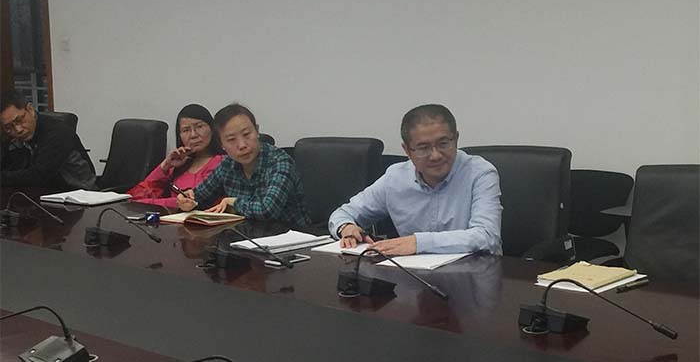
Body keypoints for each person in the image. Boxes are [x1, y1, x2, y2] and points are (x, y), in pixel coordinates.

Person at [328, 104, 502, 256]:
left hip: (475, 275)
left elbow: (487, 236)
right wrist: (346, 227)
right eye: (423, 148)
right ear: (407, 150)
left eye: (443, 144)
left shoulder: (480, 173)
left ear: (456, 139)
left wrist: (418, 243)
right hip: (414, 275)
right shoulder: (395, 178)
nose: (435, 155)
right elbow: (343, 214)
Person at [177, 103, 310, 227]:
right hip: (245, 237)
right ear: (221, 144)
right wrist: (186, 200)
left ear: (257, 131)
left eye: (247, 134)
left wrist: (233, 202)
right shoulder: (227, 165)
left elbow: (267, 211)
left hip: (290, 237)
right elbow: (198, 196)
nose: (242, 145)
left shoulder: (280, 162)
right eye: (231, 140)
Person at [128, 104, 224, 208]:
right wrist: (165, 166)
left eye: (199, 127)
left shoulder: (223, 163)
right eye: (186, 130)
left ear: (212, 129)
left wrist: (174, 203)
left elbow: (197, 203)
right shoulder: (180, 163)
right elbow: (135, 197)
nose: (193, 135)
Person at [0, 90, 96, 190]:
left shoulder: (58, 132)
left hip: (79, 194)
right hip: (38, 193)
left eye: (19, 120)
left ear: (30, 109)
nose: (18, 129)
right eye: (8, 127)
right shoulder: (10, 137)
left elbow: (39, 175)